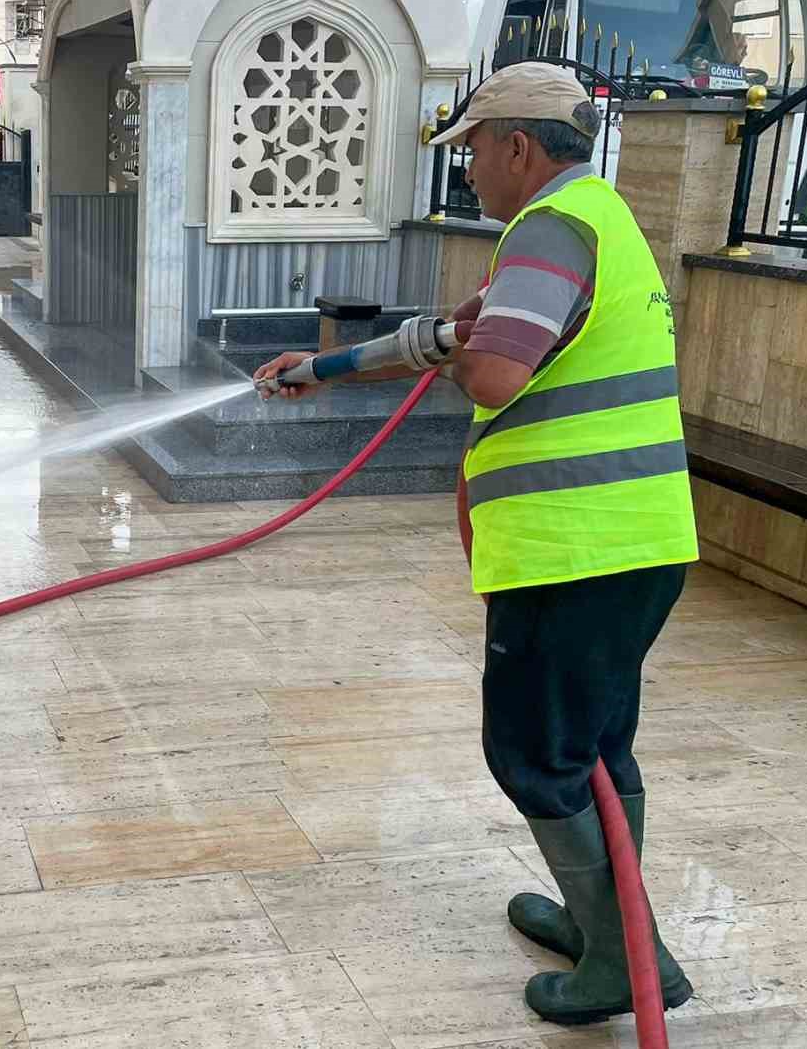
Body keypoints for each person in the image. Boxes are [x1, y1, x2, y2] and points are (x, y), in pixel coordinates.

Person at [254, 63, 700, 1026]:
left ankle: (622, 962)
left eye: (475, 152)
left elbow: (490, 368)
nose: (469, 172)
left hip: (572, 549)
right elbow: (452, 334)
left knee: (536, 752)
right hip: (636, 541)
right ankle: (605, 926)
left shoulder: (549, 228)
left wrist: (472, 353)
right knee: (594, 744)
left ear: (518, 146)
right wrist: (325, 368)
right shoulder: (597, 220)